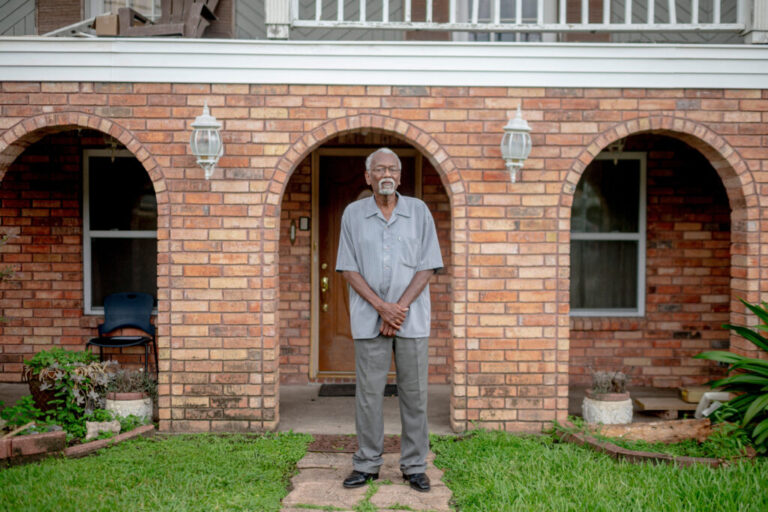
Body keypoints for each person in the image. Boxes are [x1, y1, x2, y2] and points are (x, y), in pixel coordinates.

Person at [335, 147, 443, 493]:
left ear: (400, 176)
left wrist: (397, 309)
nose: (387, 174)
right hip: (370, 319)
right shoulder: (353, 215)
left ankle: (414, 466)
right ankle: (367, 464)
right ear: (368, 176)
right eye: (379, 169)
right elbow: (348, 268)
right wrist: (382, 307)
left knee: (414, 394)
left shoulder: (419, 212)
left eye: (393, 169)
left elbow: (428, 266)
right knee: (368, 395)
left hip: (411, 320)